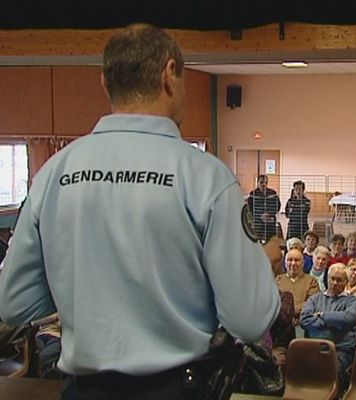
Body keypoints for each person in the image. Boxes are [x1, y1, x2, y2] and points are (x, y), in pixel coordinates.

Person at [0, 24, 281, 400]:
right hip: (177, 387)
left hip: (84, 389)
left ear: (104, 82)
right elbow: (249, 320)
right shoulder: (204, 176)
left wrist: (89, 284)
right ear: (169, 75)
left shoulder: (54, 172)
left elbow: (14, 303)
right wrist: (260, 263)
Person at [300, 263, 356, 381]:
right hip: (313, 348)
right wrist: (335, 323)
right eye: (332, 279)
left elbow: (349, 318)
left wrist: (322, 315)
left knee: (326, 371)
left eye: (339, 280)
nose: (334, 283)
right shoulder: (315, 298)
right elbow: (304, 320)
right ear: (327, 279)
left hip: (339, 351)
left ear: (346, 282)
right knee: (297, 370)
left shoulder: (352, 301)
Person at [276, 249, 321, 320]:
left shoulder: (311, 281)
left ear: (303, 263)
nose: (293, 263)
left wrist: (289, 312)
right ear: (285, 263)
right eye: (290, 260)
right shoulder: (277, 280)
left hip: (303, 321)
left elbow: (312, 303)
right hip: (280, 321)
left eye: (297, 260)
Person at [247, 174, 281, 242]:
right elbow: (250, 209)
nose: (264, 184)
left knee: (271, 243)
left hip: (270, 224)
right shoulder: (252, 194)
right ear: (257, 183)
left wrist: (270, 214)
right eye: (261, 182)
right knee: (257, 242)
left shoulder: (273, 193)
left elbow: (277, 206)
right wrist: (259, 216)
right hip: (258, 224)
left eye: (266, 182)